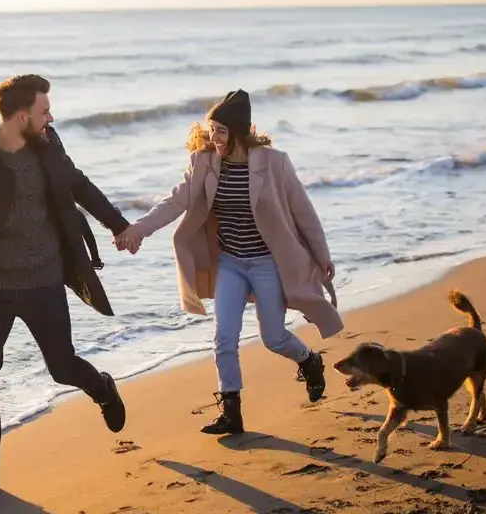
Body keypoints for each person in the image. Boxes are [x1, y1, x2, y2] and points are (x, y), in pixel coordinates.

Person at [0, 73, 135, 502]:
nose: (50, 117)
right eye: (43, 111)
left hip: (44, 280)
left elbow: (80, 186)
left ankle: (102, 388)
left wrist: (120, 226)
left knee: (62, 366)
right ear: (20, 117)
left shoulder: (49, 146)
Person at [113, 89, 342, 435]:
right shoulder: (204, 162)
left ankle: (309, 361)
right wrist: (137, 230)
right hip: (231, 263)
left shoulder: (273, 162)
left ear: (239, 131)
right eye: (211, 129)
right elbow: (174, 203)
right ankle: (231, 413)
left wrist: (322, 256)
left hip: (267, 263)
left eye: (221, 130)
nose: (214, 138)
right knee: (223, 338)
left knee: (274, 338)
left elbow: (303, 212)